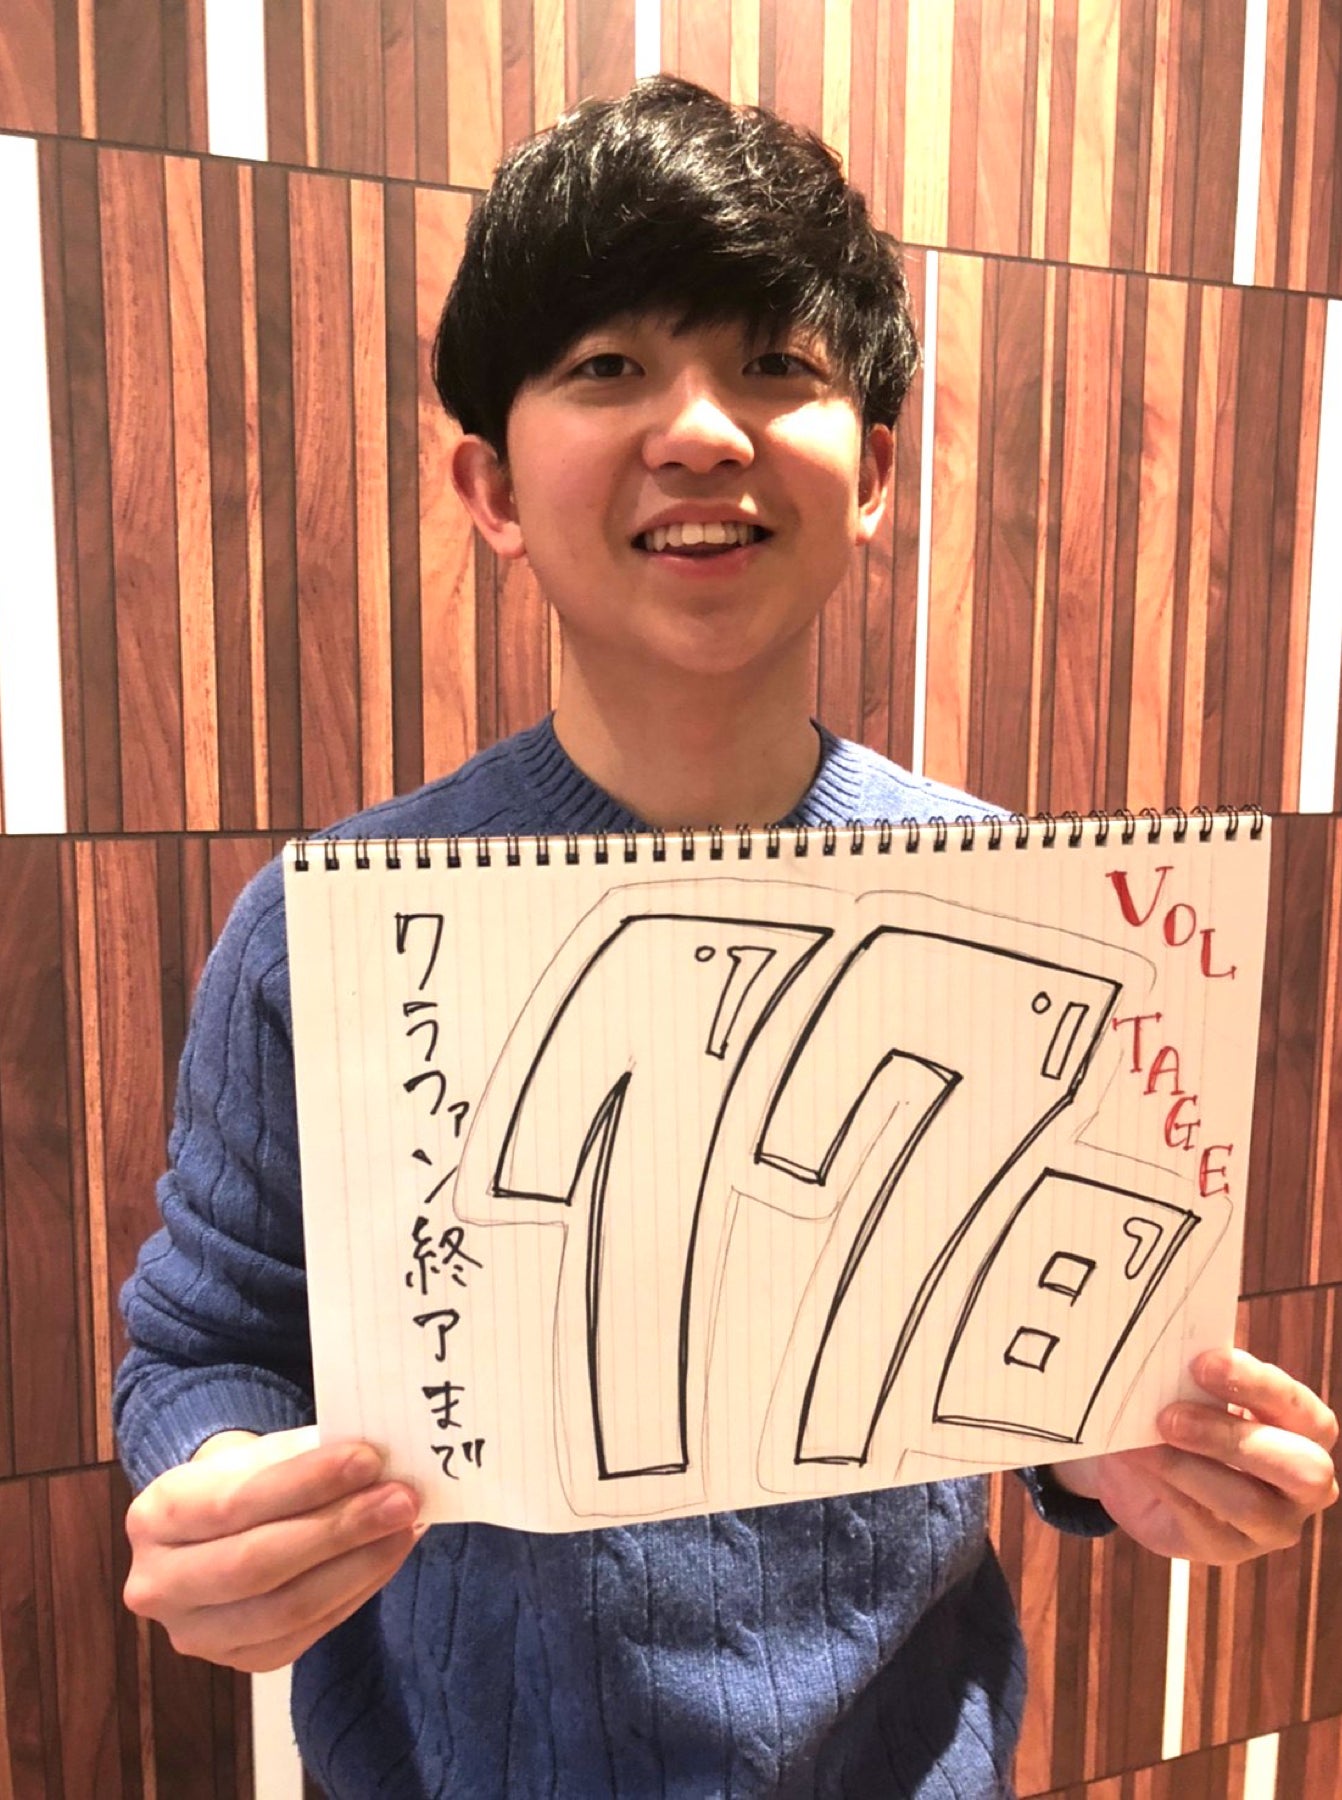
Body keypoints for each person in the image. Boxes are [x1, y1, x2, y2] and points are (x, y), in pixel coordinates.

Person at [115, 76, 1338, 1799]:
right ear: (490, 486)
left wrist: (1125, 1448)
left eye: (774, 364)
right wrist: (219, 1486)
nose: (699, 432)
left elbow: (1032, 1337)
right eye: (608, 366)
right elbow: (204, 1346)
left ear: (873, 473)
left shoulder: (1020, 904)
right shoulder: (327, 926)